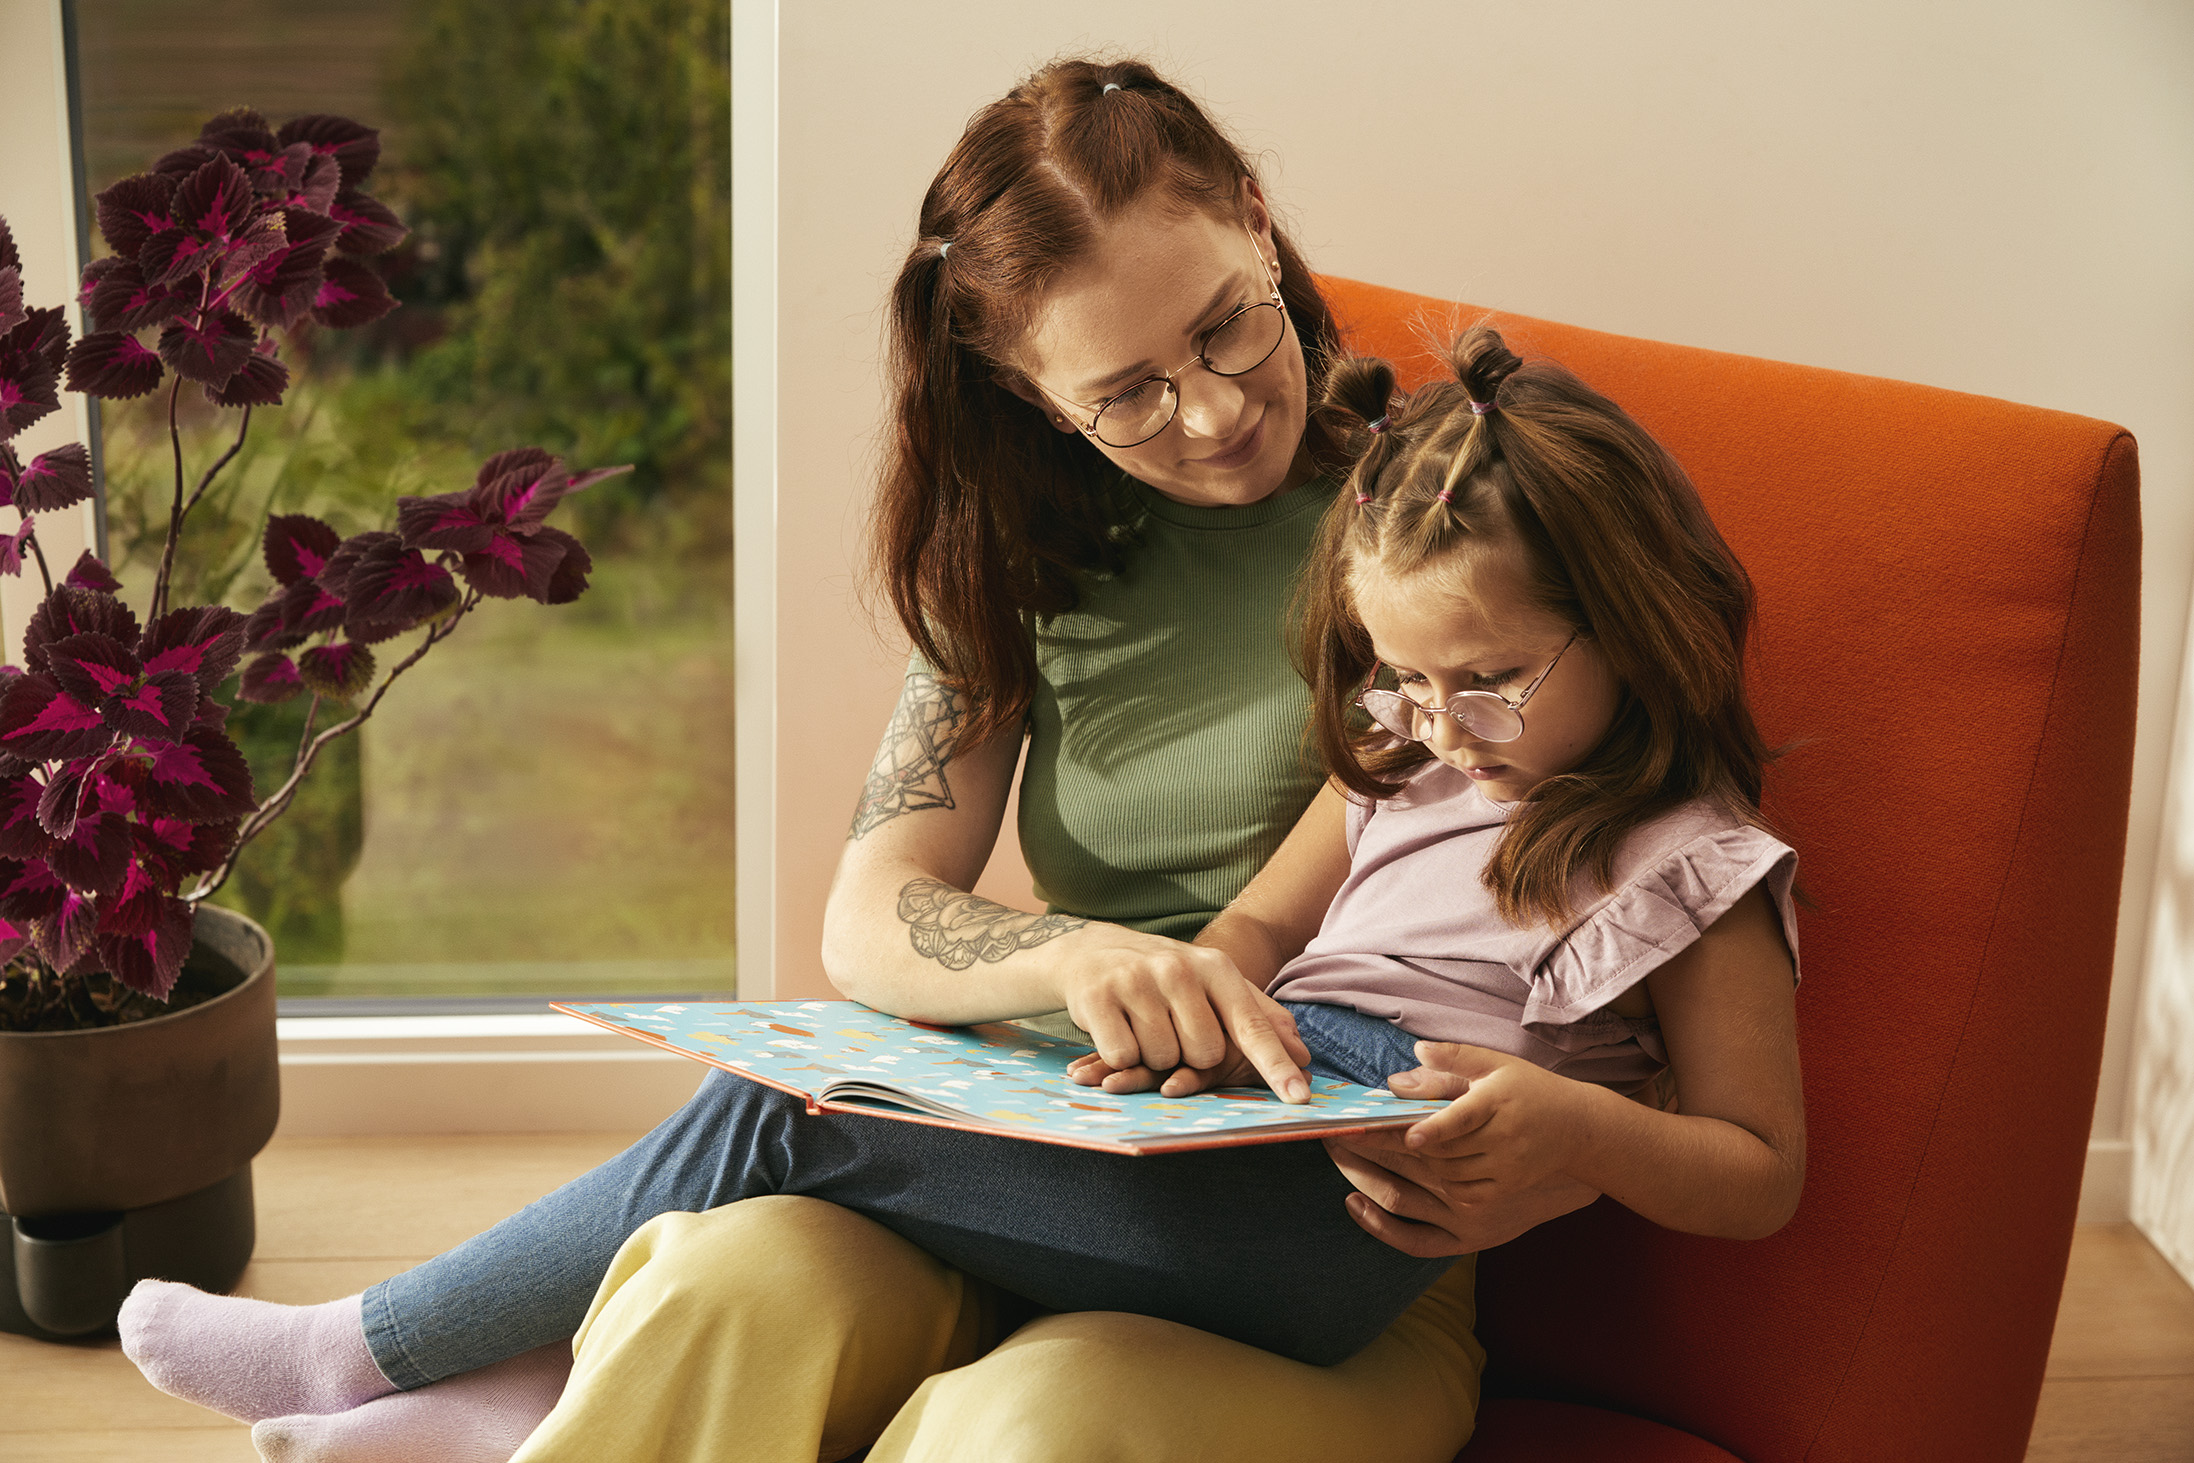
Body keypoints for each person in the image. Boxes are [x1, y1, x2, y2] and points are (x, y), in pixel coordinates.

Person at [110, 59, 1787, 1463]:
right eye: (1125, 393)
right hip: (1074, 1124)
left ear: (1256, 224)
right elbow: (878, 915)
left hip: (1318, 1224)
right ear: (1031, 399)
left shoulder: (1438, 537)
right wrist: (1087, 960)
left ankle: (395, 1360)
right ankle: (505, 1407)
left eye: (1227, 329)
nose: (1209, 414)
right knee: (726, 1266)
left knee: (919, 1289)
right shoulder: (1030, 565)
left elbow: (1630, 1045)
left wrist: (1560, 1153)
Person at [494, 325, 1808, 1463]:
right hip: (1258, 1107)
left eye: (1491, 681)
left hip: (1356, 1218)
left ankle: (407, 1345)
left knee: (786, 1111)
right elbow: (1259, 929)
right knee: (765, 1209)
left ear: (1629, 620)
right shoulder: (1402, 762)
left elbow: (1758, 1171)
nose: (1443, 725)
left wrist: (1581, 1134)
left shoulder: (1694, 866)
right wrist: (1194, 1011)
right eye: (1405, 679)